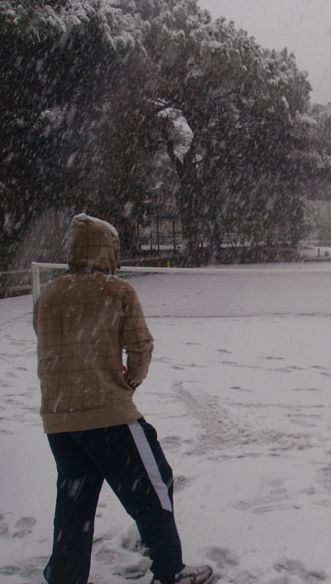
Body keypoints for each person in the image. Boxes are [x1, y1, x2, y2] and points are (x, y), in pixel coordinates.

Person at [33, 214, 212, 584]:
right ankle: (169, 569)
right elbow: (141, 346)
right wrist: (131, 381)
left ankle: (65, 575)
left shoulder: (48, 295)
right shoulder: (117, 291)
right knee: (154, 482)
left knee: (75, 499)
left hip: (59, 420)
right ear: (106, 248)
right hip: (109, 415)